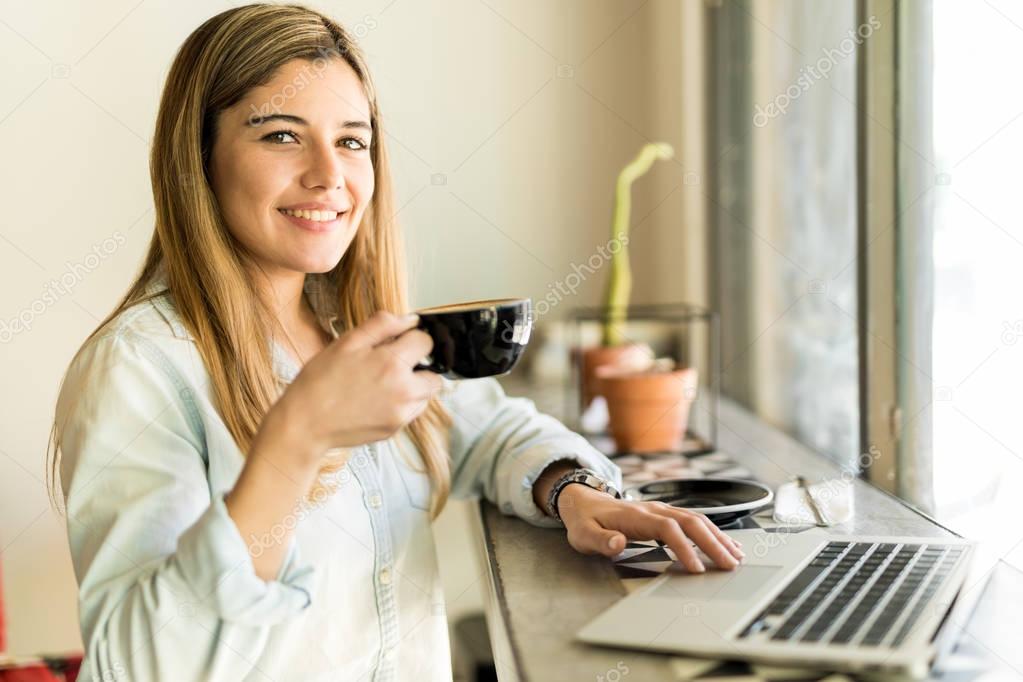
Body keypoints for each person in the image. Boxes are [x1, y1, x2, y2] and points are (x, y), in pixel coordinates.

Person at [47, 5, 743, 681]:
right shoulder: (138, 368)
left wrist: (571, 490)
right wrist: (295, 444)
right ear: (197, 158)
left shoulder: (356, 331)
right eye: (281, 135)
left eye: (352, 140)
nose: (330, 174)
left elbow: (483, 430)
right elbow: (139, 664)